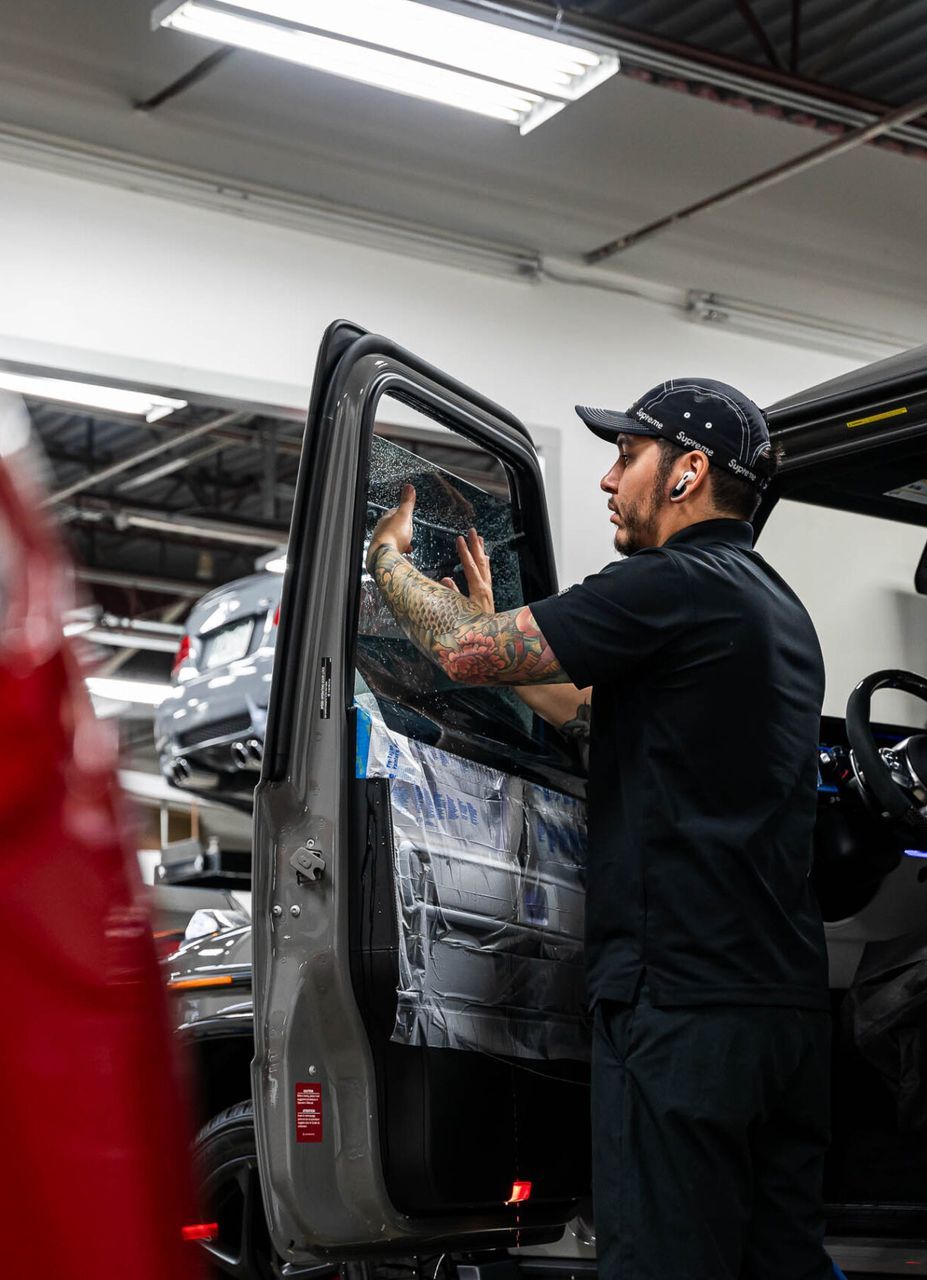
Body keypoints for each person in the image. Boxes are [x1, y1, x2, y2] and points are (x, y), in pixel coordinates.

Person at [365, 377, 833, 1280]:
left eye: (628, 456)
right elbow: (586, 718)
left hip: (679, 1003)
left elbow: (462, 652)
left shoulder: (671, 582)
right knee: (776, 1263)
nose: (610, 480)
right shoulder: (775, 609)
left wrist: (390, 561)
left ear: (688, 472)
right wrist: (500, 632)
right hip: (776, 1009)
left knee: (662, 1261)